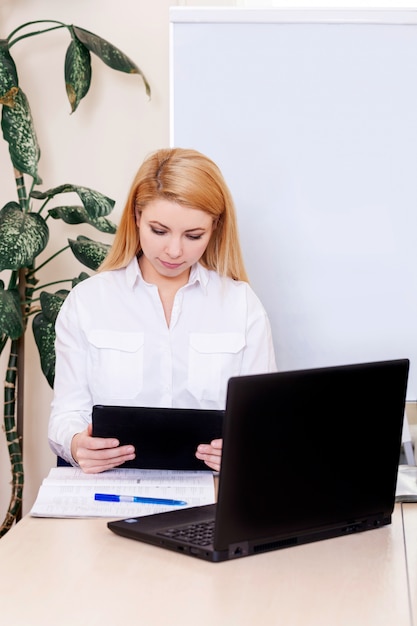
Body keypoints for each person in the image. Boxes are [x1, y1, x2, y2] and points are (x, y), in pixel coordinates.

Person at [48, 147, 277, 474]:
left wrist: (246, 447)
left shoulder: (242, 305)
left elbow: (263, 421)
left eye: (193, 235)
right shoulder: (88, 302)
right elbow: (66, 415)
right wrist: (75, 443)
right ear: (137, 218)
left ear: (215, 227)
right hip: (109, 490)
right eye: (159, 231)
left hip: (210, 495)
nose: (174, 250)